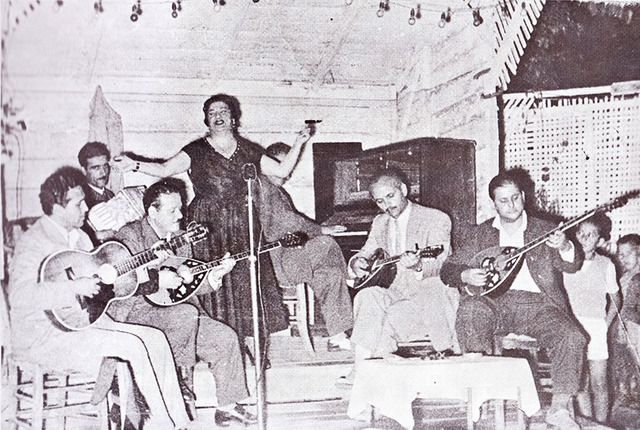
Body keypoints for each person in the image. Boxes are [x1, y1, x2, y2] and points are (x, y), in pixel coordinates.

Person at [113, 94, 312, 346]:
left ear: (233, 118)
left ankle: (255, 347)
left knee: (246, 280)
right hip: (206, 225)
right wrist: (134, 165)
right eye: (212, 113)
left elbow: (282, 171)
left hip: (243, 222)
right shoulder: (196, 150)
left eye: (223, 112)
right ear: (207, 120)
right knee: (212, 282)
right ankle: (225, 344)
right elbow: (164, 169)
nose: (218, 116)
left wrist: (299, 142)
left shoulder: (249, 150)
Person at [7, 166, 189, 429]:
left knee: (155, 338)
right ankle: (164, 424)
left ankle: (176, 421)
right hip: (44, 336)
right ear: (58, 208)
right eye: (78, 203)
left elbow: (102, 283)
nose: (85, 209)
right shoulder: (34, 241)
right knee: (134, 345)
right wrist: (74, 287)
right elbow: (20, 296)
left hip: (81, 324)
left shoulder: (80, 237)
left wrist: (146, 266)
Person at [440, 169, 587, 429]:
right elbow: (448, 270)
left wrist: (564, 246)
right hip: (494, 303)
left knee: (572, 336)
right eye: (504, 200)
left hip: (540, 305)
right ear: (494, 203)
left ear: (523, 196)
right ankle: (481, 399)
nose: (511, 205)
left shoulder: (545, 229)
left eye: (516, 198)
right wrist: (465, 275)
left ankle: (559, 409)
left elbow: (572, 265)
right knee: (470, 311)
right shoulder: (479, 234)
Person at [108, 177, 256, 426]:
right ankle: (174, 385)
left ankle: (227, 406)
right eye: (172, 210)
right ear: (152, 212)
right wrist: (155, 275)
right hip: (138, 314)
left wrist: (213, 277)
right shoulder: (129, 236)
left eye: (180, 208)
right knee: (185, 316)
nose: (180, 215)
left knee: (224, 336)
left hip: (177, 313)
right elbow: (119, 284)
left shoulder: (179, 238)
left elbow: (188, 287)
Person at [343, 168, 459, 384]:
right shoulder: (380, 222)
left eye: (390, 196)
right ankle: (360, 369)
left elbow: (443, 261)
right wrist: (356, 262)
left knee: (380, 326)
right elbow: (365, 252)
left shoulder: (435, 218)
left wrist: (418, 266)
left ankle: (374, 375)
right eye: (379, 201)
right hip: (398, 296)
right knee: (367, 296)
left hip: (430, 296)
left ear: (403, 190)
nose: (387, 205)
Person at [260, 142, 353, 351]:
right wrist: (321, 230)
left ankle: (337, 336)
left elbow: (293, 223)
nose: (287, 172)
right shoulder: (264, 188)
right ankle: (352, 277)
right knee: (326, 243)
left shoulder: (275, 190)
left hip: (291, 258)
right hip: (277, 264)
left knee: (329, 274)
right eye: (283, 165)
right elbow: (289, 222)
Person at [564, 213, 620, 423]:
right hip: (571, 327)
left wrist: (605, 324)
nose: (584, 238)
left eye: (591, 235)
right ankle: (588, 423)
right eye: (580, 233)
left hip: (596, 327)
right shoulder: (566, 262)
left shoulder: (606, 264)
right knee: (580, 383)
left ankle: (602, 424)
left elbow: (615, 297)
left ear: (600, 240)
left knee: (599, 382)